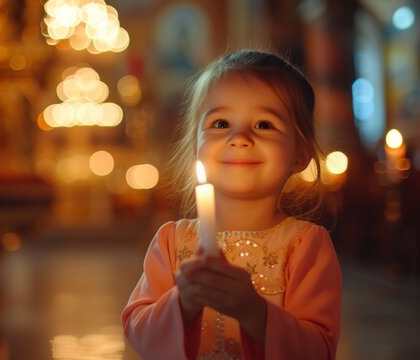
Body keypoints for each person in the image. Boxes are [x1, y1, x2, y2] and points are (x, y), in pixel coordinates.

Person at [122, 49, 341, 360]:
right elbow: (140, 334)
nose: (239, 138)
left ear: (300, 154)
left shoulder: (305, 245)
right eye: (221, 123)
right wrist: (182, 303)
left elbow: (318, 349)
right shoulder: (171, 241)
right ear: (195, 147)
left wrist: (254, 312)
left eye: (265, 125)